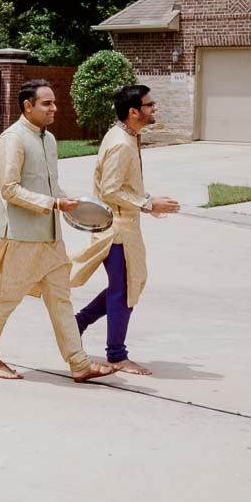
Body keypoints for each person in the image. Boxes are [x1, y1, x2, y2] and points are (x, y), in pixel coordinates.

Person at [0, 80, 117, 382]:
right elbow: (9, 189)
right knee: (7, 299)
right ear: (27, 106)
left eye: (54, 103)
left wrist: (69, 203)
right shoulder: (13, 139)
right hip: (22, 237)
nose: (54, 109)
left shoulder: (49, 140)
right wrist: (53, 202)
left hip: (51, 238)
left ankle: (79, 363)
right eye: (46, 103)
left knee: (61, 299)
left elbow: (48, 184)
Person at [69, 85, 181, 375]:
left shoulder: (127, 135)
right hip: (116, 230)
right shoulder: (121, 143)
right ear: (134, 112)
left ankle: (76, 324)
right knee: (125, 289)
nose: (154, 108)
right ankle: (116, 354)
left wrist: (146, 205)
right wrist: (146, 203)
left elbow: (121, 187)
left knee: (126, 286)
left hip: (123, 226)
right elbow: (110, 190)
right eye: (149, 104)